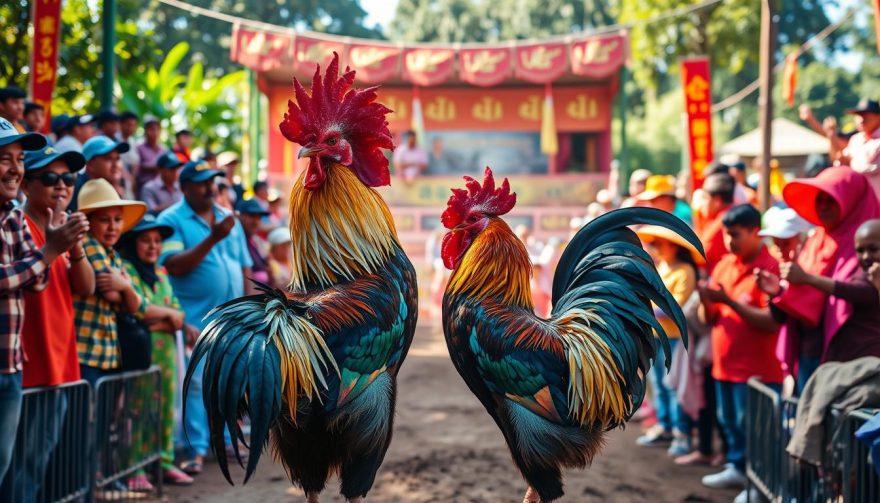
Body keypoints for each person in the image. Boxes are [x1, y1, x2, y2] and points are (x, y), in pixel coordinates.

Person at [1, 146, 94, 502]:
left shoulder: (62, 230)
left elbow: (84, 287)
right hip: (27, 366)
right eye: (51, 178)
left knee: (36, 467)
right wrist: (56, 245)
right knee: (18, 471)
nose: (62, 187)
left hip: (61, 364)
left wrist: (75, 246)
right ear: (27, 184)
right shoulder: (16, 223)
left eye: (68, 179)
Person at [157, 160, 253, 475]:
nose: (210, 187)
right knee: (196, 385)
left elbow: (244, 267)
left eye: (212, 181)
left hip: (231, 321)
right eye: (201, 182)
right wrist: (212, 237)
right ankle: (195, 449)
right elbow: (173, 265)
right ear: (184, 188)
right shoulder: (170, 219)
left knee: (230, 382)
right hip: (193, 321)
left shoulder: (229, 219)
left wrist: (252, 310)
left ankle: (227, 440)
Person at [756, 167, 880, 389]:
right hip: (809, 352)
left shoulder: (867, 242)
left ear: (851, 201)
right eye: (819, 200)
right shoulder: (816, 241)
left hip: (851, 362)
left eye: (830, 200)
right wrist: (777, 292)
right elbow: (804, 299)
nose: (823, 207)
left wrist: (807, 279)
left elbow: (865, 291)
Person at [698, 204, 783, 493]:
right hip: (725, 365)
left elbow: (772, 322)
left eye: (735, 235)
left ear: (755, 232)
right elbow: (707, 318)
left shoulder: (770, 267)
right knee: (730, 423)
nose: (729, 241)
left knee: (757, 432)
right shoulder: (723, 265)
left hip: (757, 369)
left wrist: (728, 301)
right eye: (726, 235)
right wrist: (706, 300)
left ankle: (759, 483)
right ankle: (738, 469)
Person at [118, 215, 196, 487]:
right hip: (140, 354)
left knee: (164, 409)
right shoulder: (126, 268)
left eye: (156, 241)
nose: (153, 247)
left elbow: (177, 313)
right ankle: (134, 468)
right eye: (145, 240)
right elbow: (137, 311)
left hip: (165, 356)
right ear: (132, 243)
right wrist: (166, 318)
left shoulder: (161, 274)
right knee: (137, 410)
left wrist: (162, 317)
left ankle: (163, 462)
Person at [759, 219, 880, 363]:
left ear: (801, 240)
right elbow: (784, 316)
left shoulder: (862, 270)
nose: (866, 256)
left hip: (868, 363)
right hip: (821, 353)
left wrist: (807, 278)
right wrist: (778, 292)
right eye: (860, 251)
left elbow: (859, 292)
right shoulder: (811, 255)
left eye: (873, 249)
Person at [635, 225, 703, 456]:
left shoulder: (685, 271)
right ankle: (665, 427)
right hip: (656, 336)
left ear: (674, 247)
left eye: (659, 243)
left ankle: (681, 434)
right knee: (658, 385)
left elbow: (674, 308)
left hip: (674, 339)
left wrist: (643, 307)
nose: (655, 247)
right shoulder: (661, 268)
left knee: (673, 387)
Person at [73, 178, 146, 384]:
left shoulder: (112, 254)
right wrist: (125, 291)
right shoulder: (87, 243)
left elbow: (134, 305)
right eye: (104, 220)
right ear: (88, 221)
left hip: (105, 353)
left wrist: (124, 286)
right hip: (86, 351)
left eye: (117, 219)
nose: (113, 227)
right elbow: (111, 293)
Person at [70, 135, 130, 210]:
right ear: (90, 165)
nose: (115, 165)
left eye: (117, 158)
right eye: (108, 158)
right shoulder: (75, 190)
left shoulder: (116, 186)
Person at [838, 98, 880, 200]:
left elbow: (870, 167)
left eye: (865, 115)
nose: (861, 119)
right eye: (858, 115)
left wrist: (852, 163)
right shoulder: (855, 140)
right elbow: (841, 160)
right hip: (859, 201)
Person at [696, 172, 736, 274]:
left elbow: (700, 257)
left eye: (705, 198)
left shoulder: (722, 221)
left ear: (717, 200)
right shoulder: (729, 214)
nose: (702, 203)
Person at [237, 199, 271, 285]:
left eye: (259, 217)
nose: (256, 222)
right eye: (252, 216)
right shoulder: (236, 242)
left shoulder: (254, 241)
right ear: (239, 216)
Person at [135, 116, 166, 196]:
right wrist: (157, 167)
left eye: (157, 129)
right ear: (145, 131)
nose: (155, 132)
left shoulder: (163, 150)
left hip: (160, 190)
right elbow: (136, 168)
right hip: (142, 188)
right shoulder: (138, 147)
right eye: (151, 129)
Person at [118, 111, 141, 181]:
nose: (130, 128)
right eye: (128, 125)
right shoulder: (114, 140)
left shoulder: (133, 142)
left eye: (133, 125)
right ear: (121, 124)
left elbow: (135, 163)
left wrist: (132, 178)